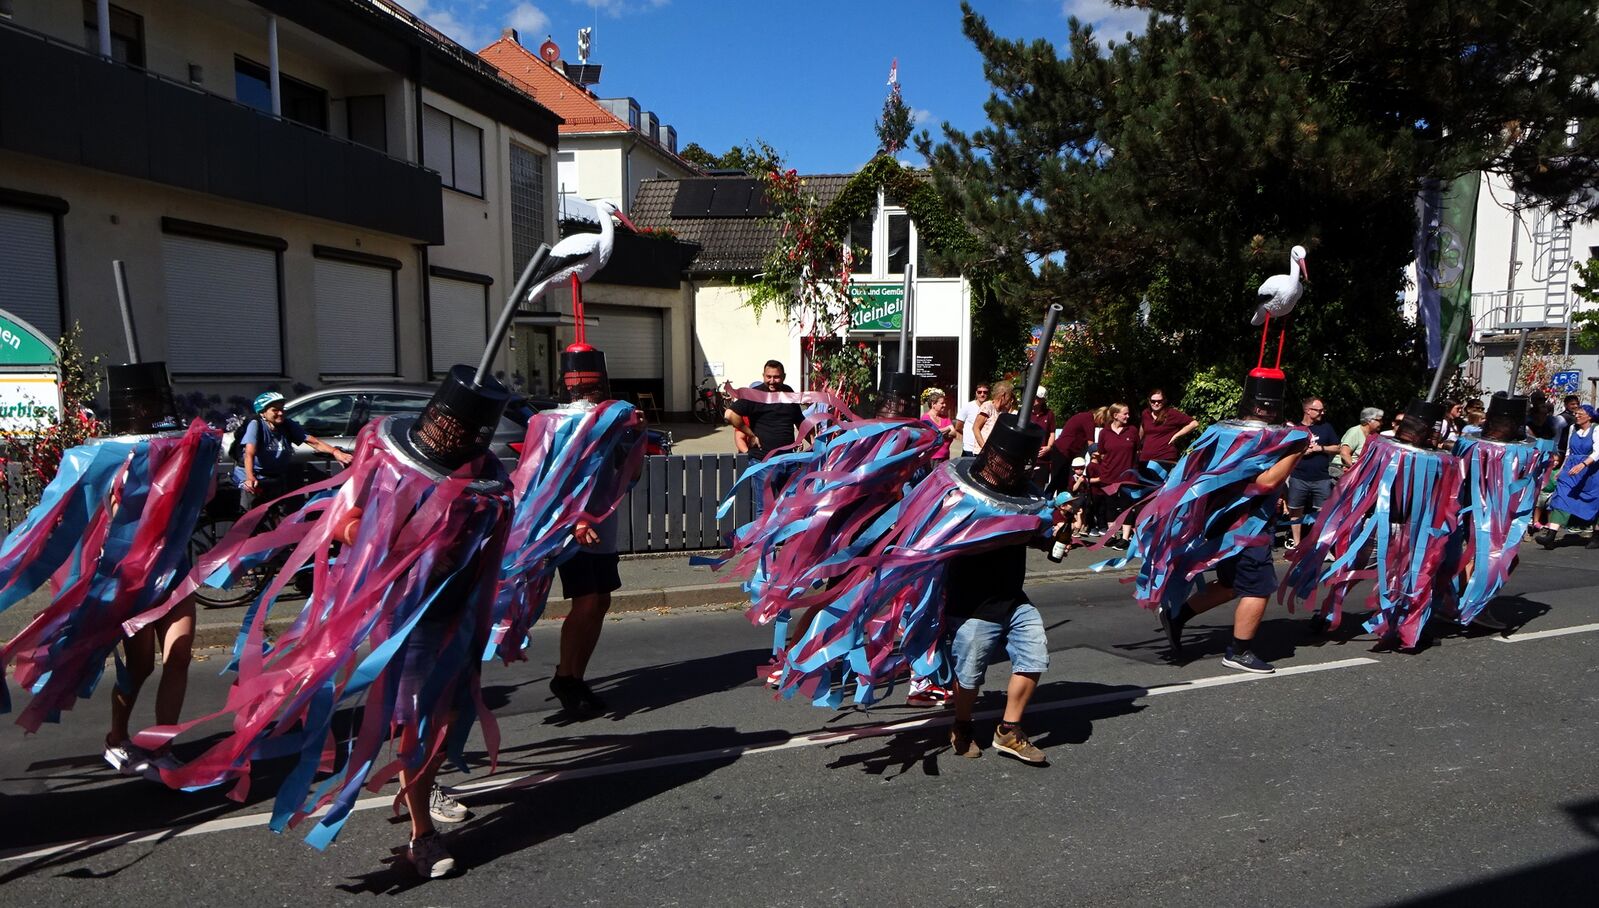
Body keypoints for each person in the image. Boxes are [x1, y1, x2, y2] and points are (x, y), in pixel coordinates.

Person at [1159, 391, 1306, 674]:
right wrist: (1296, 450)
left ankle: (1175, 616)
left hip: (1229, 524)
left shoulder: (1227, 433)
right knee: (1259, 588)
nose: (1270, 411)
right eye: (1267, 406)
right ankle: (1239, 652)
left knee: (1231, 584)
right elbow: (1265, 482)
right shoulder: (1247, 438)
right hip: (1244, 528)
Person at [946, 537, 1055, 764]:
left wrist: (1043, 540)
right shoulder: (959, 511)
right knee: (968, 677)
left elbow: (1025, 531)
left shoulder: (1023, 512)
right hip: (971, 606)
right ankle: (962, 724)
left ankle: (1008, 731)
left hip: (1014, 600)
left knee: (1033, 658)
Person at [233, 391, 352, 511]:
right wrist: (250, 477)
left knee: (279, 514)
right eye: (275, 410)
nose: (280, 413)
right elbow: (249, 453)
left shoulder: (287, 425)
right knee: (252, 515)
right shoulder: (256, 425)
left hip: (275, 477)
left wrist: (336, 452)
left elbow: (314, 442)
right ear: (262, 412)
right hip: (253, 476)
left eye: (282, 409)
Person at [725, 361, 804, 517]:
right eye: (769, 377)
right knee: (766, 510)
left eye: (776, 377)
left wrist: (813, 439)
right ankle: (764, 535)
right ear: (763, 376)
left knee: (792, 508)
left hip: (789, 460)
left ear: (784, 377)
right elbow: (730, 415)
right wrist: (750, 434)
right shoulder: (755, 394)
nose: (772, 381)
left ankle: (785, 534)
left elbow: (799, 420)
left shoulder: (788, 393)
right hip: (764, 462)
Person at [1537, 404, 1599, 550]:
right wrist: (1562, 468)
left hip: (1591, 470)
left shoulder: (1596, 429)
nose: (1576, 416)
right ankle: (1550, 536)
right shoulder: (1573, 428)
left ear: (1589, 416)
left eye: (1580, 414)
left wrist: (1583, 465)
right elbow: (1569, 451)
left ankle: (1597, 536)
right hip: (1571, 468)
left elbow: (1597, 452)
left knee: (1595, 502)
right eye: (1576, 413)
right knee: (1561, 496)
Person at [1284, 396, 1339, 550]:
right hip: (1298, 476)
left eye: (1323, 410)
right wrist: (1302, 451)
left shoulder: (1326, 427)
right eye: (1319, 410)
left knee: (1323, 513)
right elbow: (1286, 450)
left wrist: (1320, 448)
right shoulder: (1295, 429)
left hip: (1321, 477)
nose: (1322, 413)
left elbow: (1338, 447)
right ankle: (1297, 545)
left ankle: (1318, 545)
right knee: (1296, 511)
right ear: (1308, 410)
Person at [1090, 403, 1138, 548]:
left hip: (1127, 476)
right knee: (1110, 506)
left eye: (1128, 413)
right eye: (1125, 413)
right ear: (1115, 415)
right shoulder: (1104, 433)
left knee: (1126, 506)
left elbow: (1137, 450)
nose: (1128, 416)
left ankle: (1125, 538)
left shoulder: (1132, 430)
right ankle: (1112, 535)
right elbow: (1102, 453)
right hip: (1109, 475)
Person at [1139, 388, 1199, 470]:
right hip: (1145, 458)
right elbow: (1143, 428)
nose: (1156, 403)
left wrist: (1176, 435)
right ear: (1149, 401)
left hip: (1164, 458)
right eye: (1153, 401)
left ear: (1164, 401)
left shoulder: (1171, 413)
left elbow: (1194, 423)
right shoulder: (1145, 413)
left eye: (1159, 401)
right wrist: (1138, 445)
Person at [1047, 406, 1099, 495]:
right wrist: (1097, 457)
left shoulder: (1084, 417)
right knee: (1056, 480)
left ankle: (1061, 501)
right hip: (1062, 451)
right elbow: (1091, 443)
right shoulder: (1089, 418)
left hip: (1067, 452)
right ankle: (1047, 498)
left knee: (1063, 482)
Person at [971, 381, 1018, 453]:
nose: (1010, 399)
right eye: (1009, 396)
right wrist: (984, 447)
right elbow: (975, 428)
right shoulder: (988, 406)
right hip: (982, 453)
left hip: (995, 453)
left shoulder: (1003, 410)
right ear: (1003, 395)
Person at [1337, 407, 1383, 475]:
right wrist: (1355, 470)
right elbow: (1344, 453)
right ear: (1369, 420)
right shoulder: (1355, 432)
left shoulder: (1374, 435)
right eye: (1379, 420)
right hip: (1343, 472)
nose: (1382, 423)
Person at [921, 388, 956, 465]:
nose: (945, 405)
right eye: (942, 403)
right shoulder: (925, 418)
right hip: (932, 458)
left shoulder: (945, 418)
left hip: (945, 457)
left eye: (944, 403)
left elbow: (954, 433)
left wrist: (939, 433)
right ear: (933, 404)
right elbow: (930, 435)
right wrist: (947, 429)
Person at [954, 383, 989, 456]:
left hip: (985, 447)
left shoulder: (991, 407)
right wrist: (968, 434)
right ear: (976, 393)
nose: (982, 394)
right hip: (970, 448)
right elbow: (958, 427)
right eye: (979, 392)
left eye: (985, 392)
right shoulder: (968, 407)